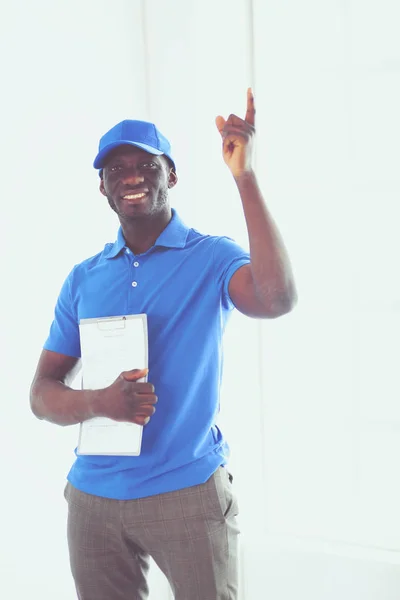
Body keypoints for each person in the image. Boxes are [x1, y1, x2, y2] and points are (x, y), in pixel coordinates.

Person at [30, 88, 297, 600]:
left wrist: (245, 176)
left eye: (146, 165)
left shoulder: (212, 257)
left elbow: (277, 298)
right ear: (103, 189)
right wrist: (100, 403)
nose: (131, 176)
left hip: (186, 492)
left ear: (170, 175)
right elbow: (40, 393)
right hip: (93, 499)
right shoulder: (83, 279)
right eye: (116, 169)